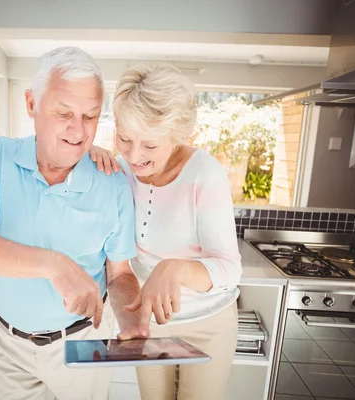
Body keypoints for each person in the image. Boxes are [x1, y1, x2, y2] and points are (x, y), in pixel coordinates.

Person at [0, 47, 145, 400]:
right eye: (64, 113)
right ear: (31, 104)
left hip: (82, 342)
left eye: (90, 116)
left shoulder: (113, 181)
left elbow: (119, 275)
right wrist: (55, 265)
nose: (78, 130)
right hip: (6, 344)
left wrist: (131, 319)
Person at [89, 64, 242, 400]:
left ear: (176, 137)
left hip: (207, 324)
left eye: (150, 146)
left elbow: (230, 269)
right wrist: (89, 156)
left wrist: (174, 268)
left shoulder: (205, 175)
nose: (134, 155)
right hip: (149, 320)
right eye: (124, 139)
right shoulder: (122, 168)